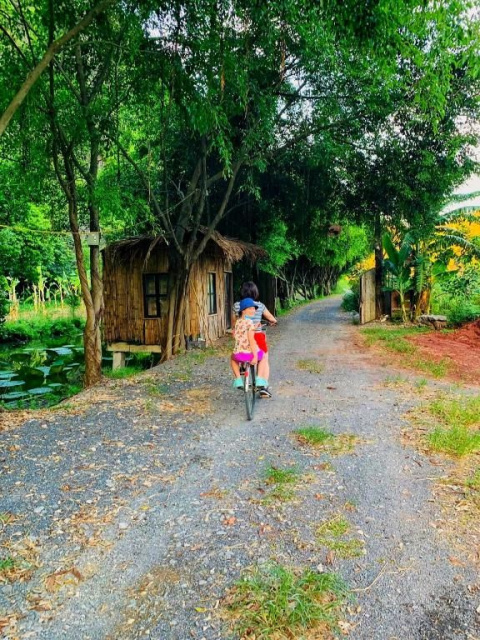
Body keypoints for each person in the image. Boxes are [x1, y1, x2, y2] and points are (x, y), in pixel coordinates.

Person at [233, 281, 277, 398]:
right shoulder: (260, 306)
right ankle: (262, 385)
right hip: (257, 336)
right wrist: (273, 321)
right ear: (255, 292)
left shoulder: (237, 305)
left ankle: (243, 365)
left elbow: (235, 321)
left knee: (240, 349)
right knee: (264, 357)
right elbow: (270, 318)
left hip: (242, 337)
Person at [231, 297, 269, 391]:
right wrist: (255, 356)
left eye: (254, 308)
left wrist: (254, 327)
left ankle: (238, 379)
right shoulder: (250, 323)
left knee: (232, 359)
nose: (253, 311)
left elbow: (235, 335)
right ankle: (260, 379)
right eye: (250, 308)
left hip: (238, 354)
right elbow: (251, 341)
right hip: (249, 354)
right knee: (263, 356)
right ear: (243, 310)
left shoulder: (238, 322)